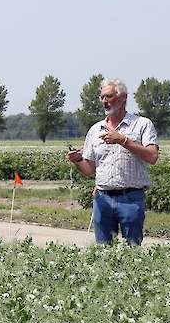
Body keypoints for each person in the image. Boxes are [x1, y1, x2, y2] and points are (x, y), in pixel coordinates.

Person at [67, 78, 159, 245]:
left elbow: (152, 156)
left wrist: (123, 141)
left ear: (123, 97)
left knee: (132, 252)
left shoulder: (141, 125)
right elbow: (89, 169)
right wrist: (78, 160)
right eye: (102, 97)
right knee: (103, 252)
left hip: (131, 198)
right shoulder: (95, 130)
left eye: (108, 96)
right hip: (102, 199)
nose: (104, 102)